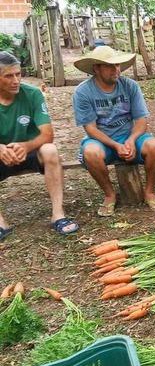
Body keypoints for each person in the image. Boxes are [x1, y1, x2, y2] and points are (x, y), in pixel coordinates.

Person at [72, 46, 155, 217]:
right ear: (96, 69)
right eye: (110, 66)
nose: (116, 69)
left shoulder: (130, 86)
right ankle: (110, 194)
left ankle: (150, 192)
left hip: (130, 136)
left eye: (117, 65)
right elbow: (90, 128)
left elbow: (141, 120)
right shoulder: (83, 92)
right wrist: (116, 145)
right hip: (102, 140)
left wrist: (131, 140)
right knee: (90, 152)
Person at [0, 51, 79, 239]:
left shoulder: (32, 94)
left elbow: (47, 134)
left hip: (29, 152)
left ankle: (58, 215)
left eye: (18, 74)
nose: (16, 80)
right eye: (9, 76)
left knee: (50, 150)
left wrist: (26, 146)